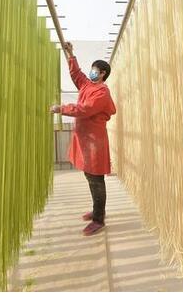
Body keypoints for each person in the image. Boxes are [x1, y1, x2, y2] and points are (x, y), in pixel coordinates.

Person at [50, 41, 117, 236]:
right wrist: (71, 54)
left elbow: (86, 109)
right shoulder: (88, 85)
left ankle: (99, 219)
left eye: (95, 70)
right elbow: (76, 74)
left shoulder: (102, 92)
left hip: (95, 141)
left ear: (102, 73)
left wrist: (61, 108)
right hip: (85, 139)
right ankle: (97, 210)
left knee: (96, 179)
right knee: (89, 175)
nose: (91, 72)